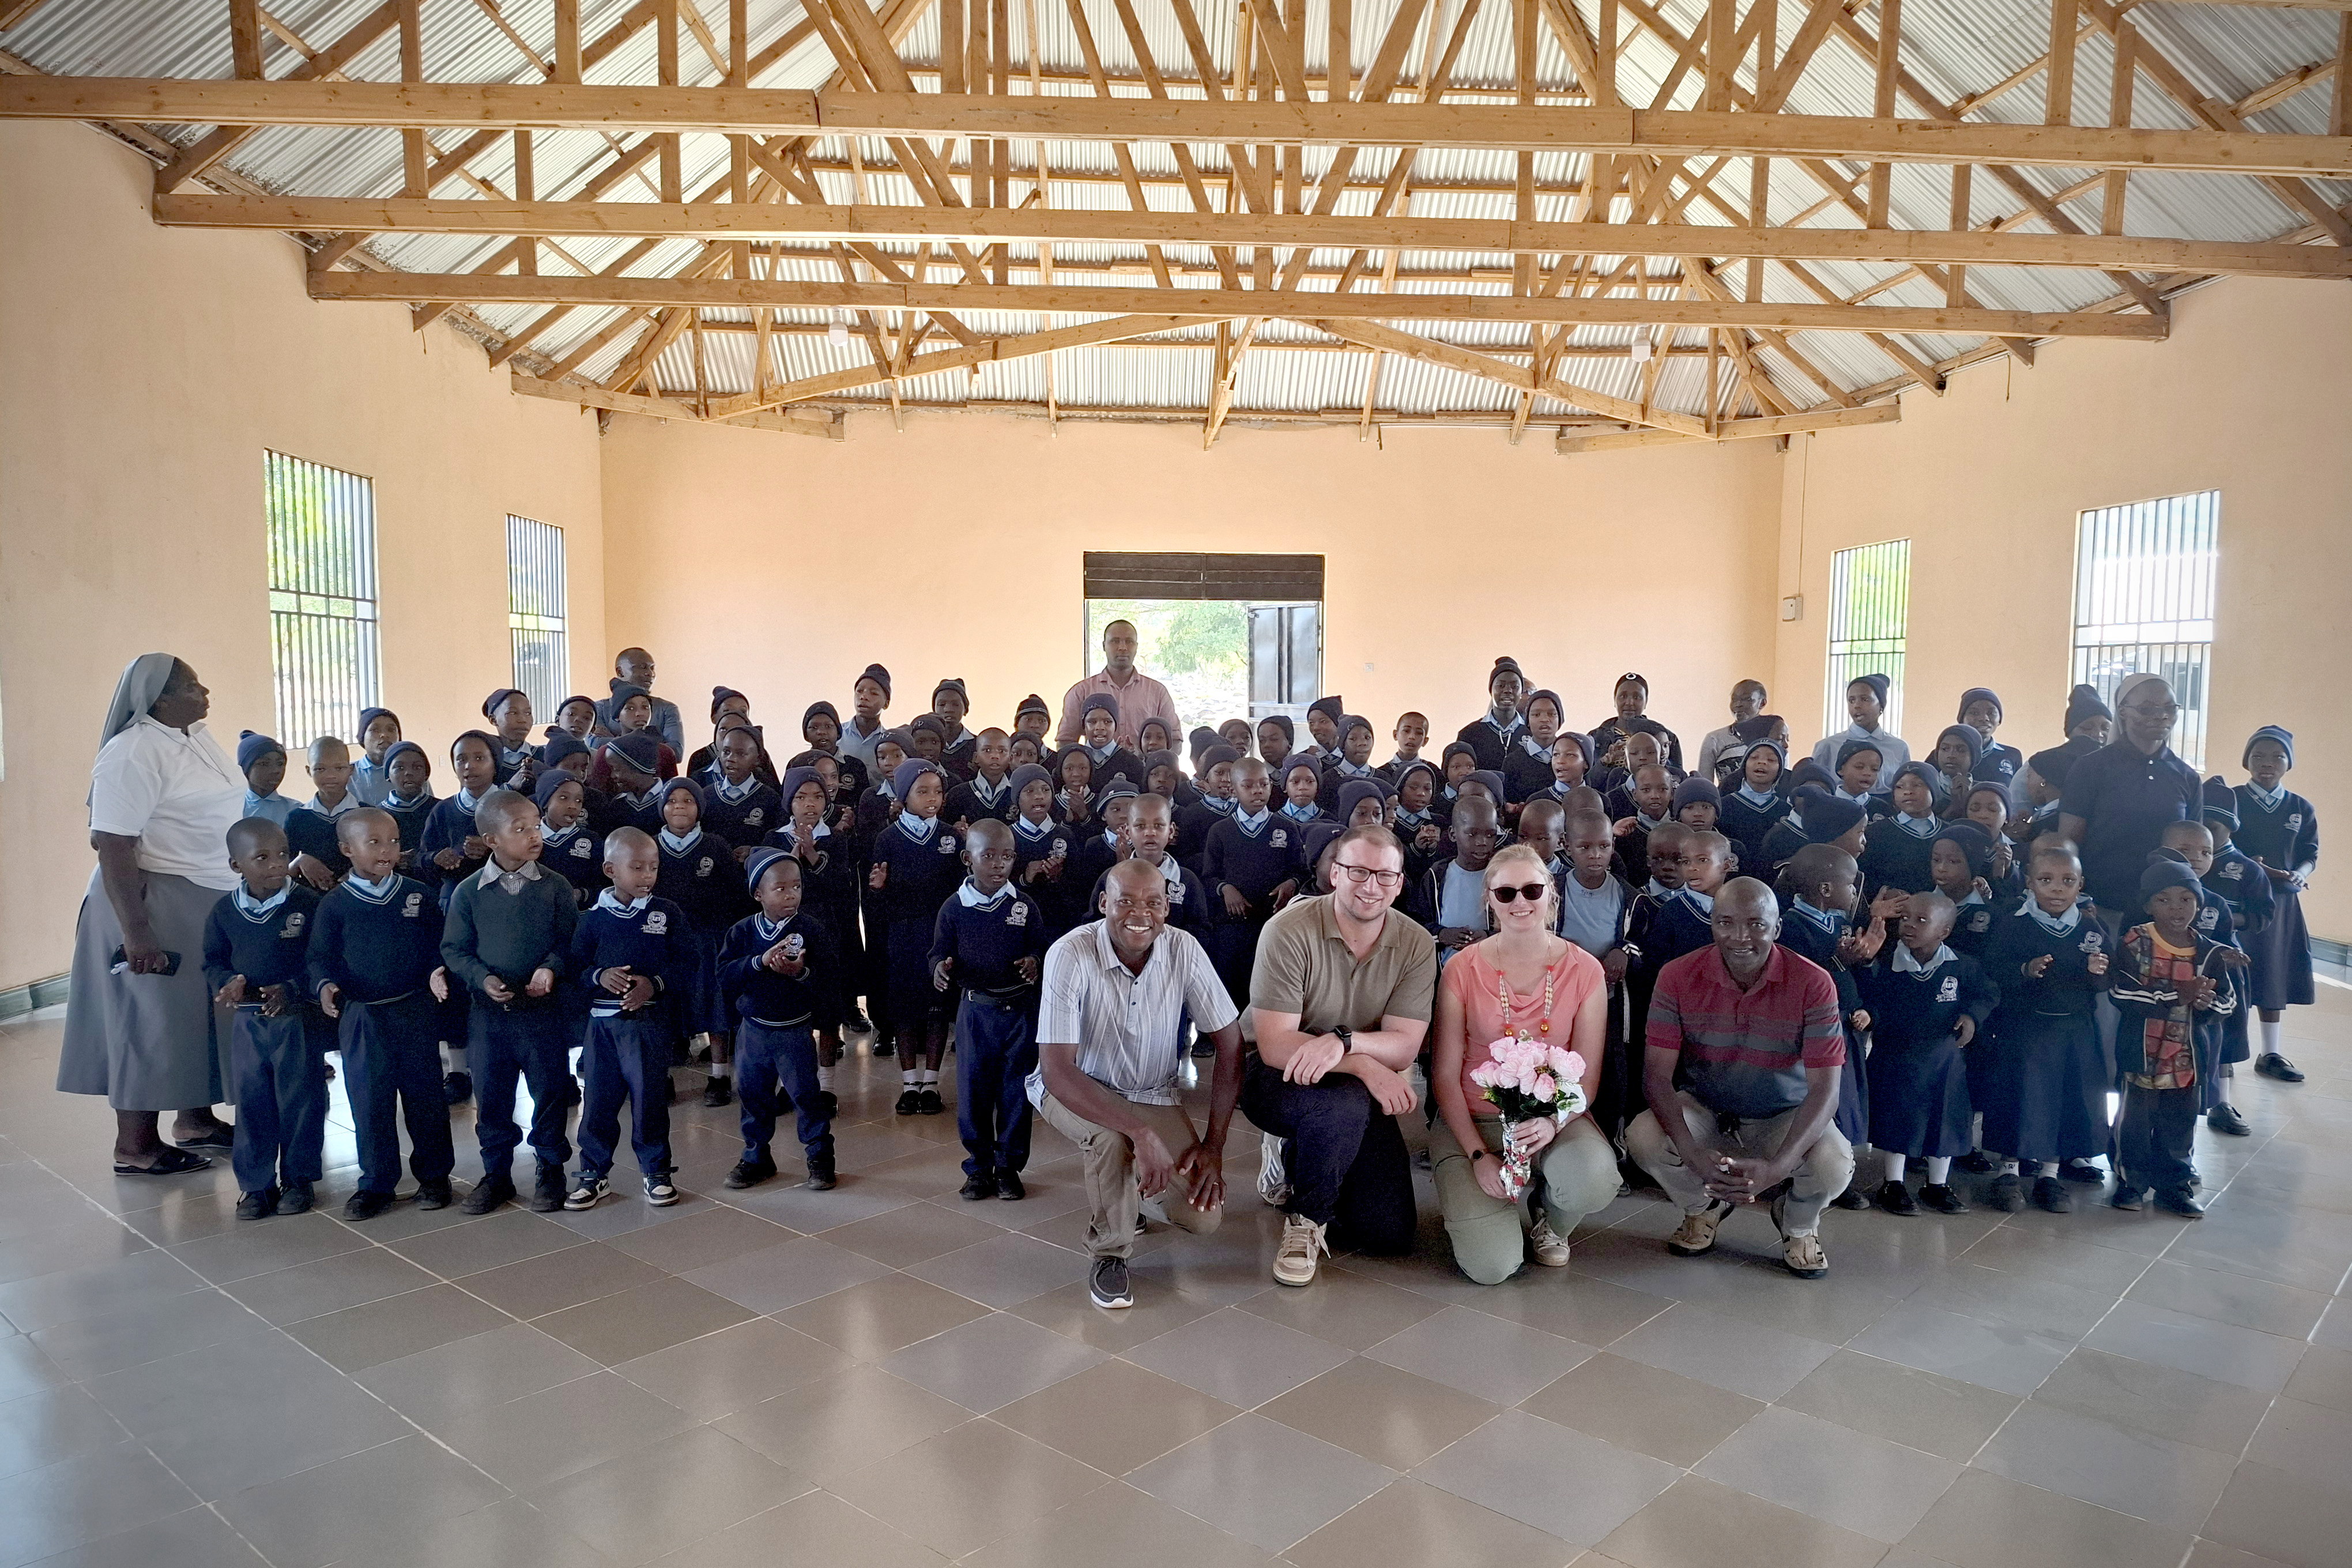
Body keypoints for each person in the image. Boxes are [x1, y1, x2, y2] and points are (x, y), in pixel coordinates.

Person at [1034, 860, 1245, 1310]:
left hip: (1151, 1091)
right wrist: (1141, 1133)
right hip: (1076, 1087)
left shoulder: (1184, 949)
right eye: (1125, 901)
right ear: (1104, 904)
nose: (1140, 914)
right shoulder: (1070, 953)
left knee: (1202, 1219)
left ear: (1167, 909)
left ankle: (1128, 1194)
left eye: (1153, 903)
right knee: (1111, 1139)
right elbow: (1057, 1070)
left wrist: (1214, 1146)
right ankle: (1110, 1253)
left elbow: (1231, 1045)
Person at [61, 654, 242, 1173]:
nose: (204, 692)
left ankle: (195, 1121)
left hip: (202, 895)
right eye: (191, 686)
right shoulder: (132, 751)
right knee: (149, 1021)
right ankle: (135, 1146)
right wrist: (137, 933)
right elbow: (112, 843)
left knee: (193, 1018)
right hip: (152, 899)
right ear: (158, 699)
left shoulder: (193, 736)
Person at [1626, 877, 1855, 1280]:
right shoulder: (1677, 976)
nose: (1740, 937)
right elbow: (1656, 1077)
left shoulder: (1814, 982)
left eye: (1756, 925)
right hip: (1707, 1109)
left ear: (1777, 928)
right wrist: (1692, 1155)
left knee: (1833, 1164)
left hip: (1783, 1115)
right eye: (1726, 923)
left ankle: (1798, 1223)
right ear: (1712, 924)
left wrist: (1778, 1169)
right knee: (1644, 1137)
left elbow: (1826, 1091)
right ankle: (1704, 1208)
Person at [1241, 826, 1436, 1287]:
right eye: (1358, 872)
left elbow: (1405, 1045)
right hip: (1276, 1073)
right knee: (1340, 1103)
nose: (1371, 886)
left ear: (1400, 883)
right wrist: (1360, 1058)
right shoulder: (1288, 930)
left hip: (1353, 1085)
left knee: (1388, 1233)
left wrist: (1345, 1043)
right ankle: (1307, 1219)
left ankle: (1307, 1157)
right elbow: (1275, 1044)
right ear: (1334, 874)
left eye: (1385, 876)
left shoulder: (1415, 943)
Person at [1428, 843, 1616, 1283]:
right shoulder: (1461, 969)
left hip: (1552, 1118)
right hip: (1474, 1119)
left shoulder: (1586, 970)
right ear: (1489, 900)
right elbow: (1444, 1076)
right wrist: (1477, 1154)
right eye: (1506, 893)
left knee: (1594, 1179)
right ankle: (1485, 1212)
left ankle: (1550, 1217)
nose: (1520, 903)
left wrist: (1553, 1122)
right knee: (1493, 1268)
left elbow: (1587, 1078)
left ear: (1551, 893)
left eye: (1532, 890)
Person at [308, 807, 456, 1219]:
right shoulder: (335, 905)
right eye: (373, 843)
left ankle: (434, 1177)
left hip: (414, 1011)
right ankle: (376, 1183)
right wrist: (325, 985)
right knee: (370, 1102)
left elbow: (440, 945)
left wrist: (438, 970)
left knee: (426, 1098)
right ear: (347, 850)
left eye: (393, 841)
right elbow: (319, 958)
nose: (387, 850)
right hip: (363, 1017)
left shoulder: (418, 894)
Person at [440, 788, 578, 1215]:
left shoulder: (555, 887)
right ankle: (496, 1174)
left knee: (550, 1092)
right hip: (490, 1017)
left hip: (541, 1013)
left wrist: (551, 967)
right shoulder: (469, 892)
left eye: (536, 825)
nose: (534, 835)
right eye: (520, 829)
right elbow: (454, 949)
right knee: (492, 1097)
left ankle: (550, 1169)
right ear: (492, 840)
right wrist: (482, 979)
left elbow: (570, 941)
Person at [202, 817, 327, 1219]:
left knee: (301, 1101)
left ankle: (299, 1180)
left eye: (283, 854)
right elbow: (213, 961)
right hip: (248, 1023)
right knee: (253, 1103)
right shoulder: (224, 912)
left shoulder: (307, 904)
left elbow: (322, 959)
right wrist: (228, 982)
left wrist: (291, 988)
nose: (277, 863)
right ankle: (256, 1186)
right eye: (262, 857)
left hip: (296, 1020)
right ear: (236, 865)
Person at [1978, 842, 2112, 1214]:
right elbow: (1992, 971)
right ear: (2029, 882)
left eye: (2068, 881)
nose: (2057, 889)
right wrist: (2025, 970)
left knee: (2064, 1099)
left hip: (2074, 1032)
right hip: (2024, 1030)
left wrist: (2097, 973)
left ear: (2081, 885)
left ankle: (2049, 1177)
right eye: (2046, 880)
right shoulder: (2013, 924)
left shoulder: (2092, 928)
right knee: (2018, 1096)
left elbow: (2108, 978)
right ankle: (2008, 1173)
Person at [2108, 857, 2240, 1217]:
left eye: (2186, 899)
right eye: (2164, 899)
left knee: (2179, 1126)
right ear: (2149, 905)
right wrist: (2176, 995)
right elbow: (2121, 993)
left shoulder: (2210, 951)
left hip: (2187, 1059)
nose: (2176, 908)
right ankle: (2131, 1183)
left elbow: (2228, 1001)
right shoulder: (2135, 943)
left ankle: (2174, 1186)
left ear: (2199, 903)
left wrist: (2207, 1003)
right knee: (2134, 1123)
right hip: (2142, 1054)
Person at [1855, 892, 1997, 1216]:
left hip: (1944, 1061)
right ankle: (1893, 1184)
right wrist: (1870, 1016)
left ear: (1944, 932)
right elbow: (1874, 998)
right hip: (1896, 1057)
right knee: (1898, 1121)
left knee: (1943, 1122)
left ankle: (1937, 1185)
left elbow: (1987, 993)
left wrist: (1971, 1017)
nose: (1909, 925)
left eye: (1922, 920)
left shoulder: (1963, 965)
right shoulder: (1887, 963)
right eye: (1905, 918)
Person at [566, 827, 686, 1209]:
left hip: (648, 1026)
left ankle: (656, 1171)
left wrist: (654, 984)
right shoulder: (592, 920)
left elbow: (688, 963)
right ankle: (593, 1173)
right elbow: (574, 969)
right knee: (598, 1103)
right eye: (637, 867)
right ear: (610, 870)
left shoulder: (666, 913)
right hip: (602, 1028)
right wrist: (599, 976)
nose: (647, 876)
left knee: (649, 1100)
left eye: (653, 867)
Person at [931, 818, 1050, 1200]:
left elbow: (1040, 946)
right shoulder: (954, 908)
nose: (1000, 864)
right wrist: (940, 968)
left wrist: (1034, 961)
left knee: (1016, 1092)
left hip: (1019, 1014)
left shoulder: (1024, 905)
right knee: (973, 1093)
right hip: (976, 1013)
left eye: (1008, 857)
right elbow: (938, 952)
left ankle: (1009, 1168)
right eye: (989, 856)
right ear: (968, 859)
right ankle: (979, 1167)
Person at [719, 849, 842, 1192]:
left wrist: (800, 973)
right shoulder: (742, 932)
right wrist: (758, 962)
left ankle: (820, 1156)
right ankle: (756, 1156)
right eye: (781, 889)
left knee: (806, 1096)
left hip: (795, 1031)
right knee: (753, 1095)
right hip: (754, 1031)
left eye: (797, 887)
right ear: (758, 894)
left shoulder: (811, 929)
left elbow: (829, 979)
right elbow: (725, 975)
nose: (791, 895)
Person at [2056, 673, 2201, 919]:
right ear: (2123, 711)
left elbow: (2195, 849)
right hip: (2102, 906)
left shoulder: (2187, 777)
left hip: (2165, 913)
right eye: (2147, 709)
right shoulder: (2091, 768)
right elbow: (2069, 843)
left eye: (2170, 708)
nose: (2161, 715)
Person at [871, 758, 963, 1113]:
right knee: (905, 1011)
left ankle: (932, 1083)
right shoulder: (888, 838)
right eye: (922, 791)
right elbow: (879, 897)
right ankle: (910, 1083)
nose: (932, 798)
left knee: (938, 1009)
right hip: (904, 934)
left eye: (937, 791)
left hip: (939, 935)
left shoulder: (951, 836)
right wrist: (879, 888)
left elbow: (959, 889)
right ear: (903, 796)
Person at [2233, 725, 2315, 1084]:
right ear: (2247, 761)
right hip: (2239, 902)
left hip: (2282, 905)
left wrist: (2299, 873)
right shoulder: (2233, 799)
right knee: (2234, 975)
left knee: (2274, 975)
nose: (2267, 763)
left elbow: (2310, 853)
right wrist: (2254, 867)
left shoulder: (2300, 807)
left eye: (2277, 757)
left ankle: (2270, 1054)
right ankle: (2226, 1056)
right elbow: (2219, 844)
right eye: (2259, 756)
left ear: (2289, 763)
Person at [1056, 619, 1182, 748]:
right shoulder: (1081, 692)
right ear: (1104, 646)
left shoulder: (1157, 692)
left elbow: (1175, 740)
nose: (1123, 648)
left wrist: (1159, 760)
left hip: (1144, 762)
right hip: (1096, 762)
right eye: (1115, 641)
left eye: (1129, 641)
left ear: (1136, 646)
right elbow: (1066, 741)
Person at [286, 735, 360, 888]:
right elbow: (283, 871)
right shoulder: (297, 818)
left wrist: (359, 873)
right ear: (309, 771)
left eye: (339, 768)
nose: (331, 775)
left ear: (351, 770)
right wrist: (300, 861)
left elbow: (382, 861)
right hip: (310, 898)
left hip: (360, 895)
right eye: (320, 769)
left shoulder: (366, 815)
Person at [1811, 673, 1910, 776]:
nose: (1856, 706)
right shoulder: (1828, 746)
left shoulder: (1899, 747)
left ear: (1881, 706)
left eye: (1865, 699)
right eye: (1852, 701)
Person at [594, 647, 686, 756]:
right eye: (643, 667)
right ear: (620, 672)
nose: (650, 673)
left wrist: (614, 742)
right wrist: (654, 743)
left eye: (652, 668)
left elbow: (676, 752)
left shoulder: (667, 709)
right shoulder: (598, 709)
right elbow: (594, 745)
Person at [1591, 672, 1684, 775]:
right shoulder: (1596, 737)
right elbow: (1587, 778)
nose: (1629, 703)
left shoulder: (1666, 737)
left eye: (1637, 697)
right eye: (1623, 696)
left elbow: (1678, 777)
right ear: (1615, 700)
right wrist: (1605, 762)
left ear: (1646, 702)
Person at [1455, 656, 1529, 772]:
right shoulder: (1469, 734)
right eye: (1501, 685)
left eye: (1515, 686)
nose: (1508, 690)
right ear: (1491, 690)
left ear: (1521, 692)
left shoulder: (1532, 734)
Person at [1695, 680, 1769, 782]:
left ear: (1762, 703)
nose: (1738, 704)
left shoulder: (1774, 736)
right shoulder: (1715, 739)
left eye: (1747, 699)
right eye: (1734, 699)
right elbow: (1704, 784)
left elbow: (1782, 779)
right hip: (1726, 793)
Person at [838, 664, 894, 775]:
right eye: (859, 691)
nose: (864, 697)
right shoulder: (837, 735)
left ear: (886, 704)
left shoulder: (889, 743)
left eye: (874, 693)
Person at [237, 732, 295, 828]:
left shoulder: (295, 811)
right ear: (245, 769)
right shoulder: (233, 810)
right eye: (264, 764)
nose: (276, 771)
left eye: (280, 764)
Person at [349, 706, 402, 806]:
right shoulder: (348, 774)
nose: (384, 735)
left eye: (391, 730)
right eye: (375, 730)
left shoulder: (412, 771)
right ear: (362, 738)